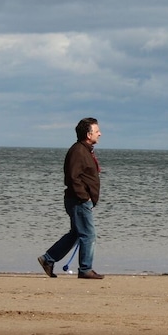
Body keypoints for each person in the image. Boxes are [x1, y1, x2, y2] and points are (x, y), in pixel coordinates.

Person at [37, 117, 105, 279]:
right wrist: (84, 197)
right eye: (97, 131)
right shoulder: (78, 151)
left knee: (76, 233)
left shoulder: (85, 150)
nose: (100, 134)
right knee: (88, 235)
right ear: (88, 134)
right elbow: (72, 178)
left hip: (80, 200)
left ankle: (48, 259)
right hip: (78, 201)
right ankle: (85, 269)